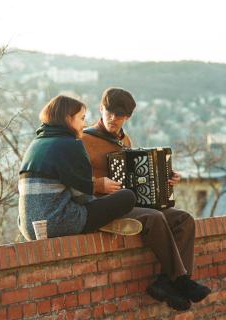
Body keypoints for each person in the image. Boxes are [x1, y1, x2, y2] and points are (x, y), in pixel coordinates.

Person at [81, 87, 211, 311]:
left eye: (120, 115)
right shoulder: (83, 139)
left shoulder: (125, 140)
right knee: (154, 218)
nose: (113, 119)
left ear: (128, 117)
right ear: (101, 109)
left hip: (131, 204)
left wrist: (165, 178)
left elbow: (137, 177)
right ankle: (180, 280)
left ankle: (164, 283)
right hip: (102, 207)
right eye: (109, 112)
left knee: (184, 219)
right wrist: (97, 184)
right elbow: (74, 180)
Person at [18, 94, 137, 242]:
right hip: (57, 223)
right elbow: (83, 197)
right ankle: (102, 224)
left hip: (28, 228)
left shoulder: (36, 143)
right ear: (68, 119)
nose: (84, 124)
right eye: (81, 118)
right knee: (127, 197)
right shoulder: (71, 144)